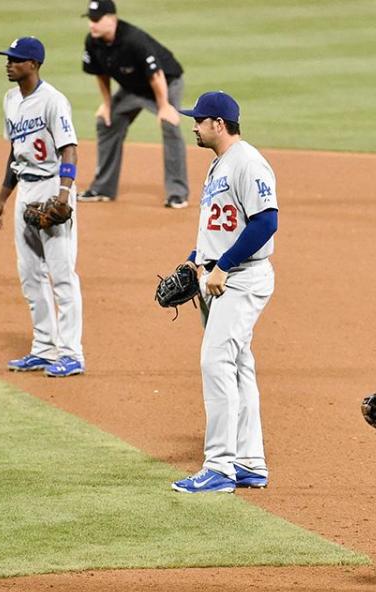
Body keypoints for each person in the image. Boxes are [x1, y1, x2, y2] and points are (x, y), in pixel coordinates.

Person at [169, 92, 278, 493]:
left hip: (240, 278)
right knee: (237, 366)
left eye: (198, 121)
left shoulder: (248, 162)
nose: (193, 127)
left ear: (218, 123)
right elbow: (221, 225)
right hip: (218, 274)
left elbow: (266, 222)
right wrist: (195, 260)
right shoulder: (219, 164)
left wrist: (224, 265)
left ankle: (219, 467)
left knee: (215, 362)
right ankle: (249, 461)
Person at [0, 37, 86, 378]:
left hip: (51, 186)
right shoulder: (10, 100)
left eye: (15, 59)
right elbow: (14, 153)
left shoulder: (53, 101)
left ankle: (72, 353)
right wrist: (2, 198)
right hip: (25, 188)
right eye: (8, 59)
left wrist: (63, 195)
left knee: (61, 274)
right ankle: (45, 348)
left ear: (33, 64)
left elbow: (69, 149)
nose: (8, 64)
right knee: (30, 275)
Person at [77, 0, 189, 208]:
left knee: (169, 124)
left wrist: (164, 106)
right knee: (106, 123)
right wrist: (107, 104)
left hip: (165, 83)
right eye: (90, 20)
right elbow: (100, 73)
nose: (92, 24)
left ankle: (177, 193)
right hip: (132, 89)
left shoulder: (133, 39)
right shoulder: (93, 41)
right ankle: (103, 189)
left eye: (96, 20)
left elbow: (156, 75)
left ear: (111, 19)